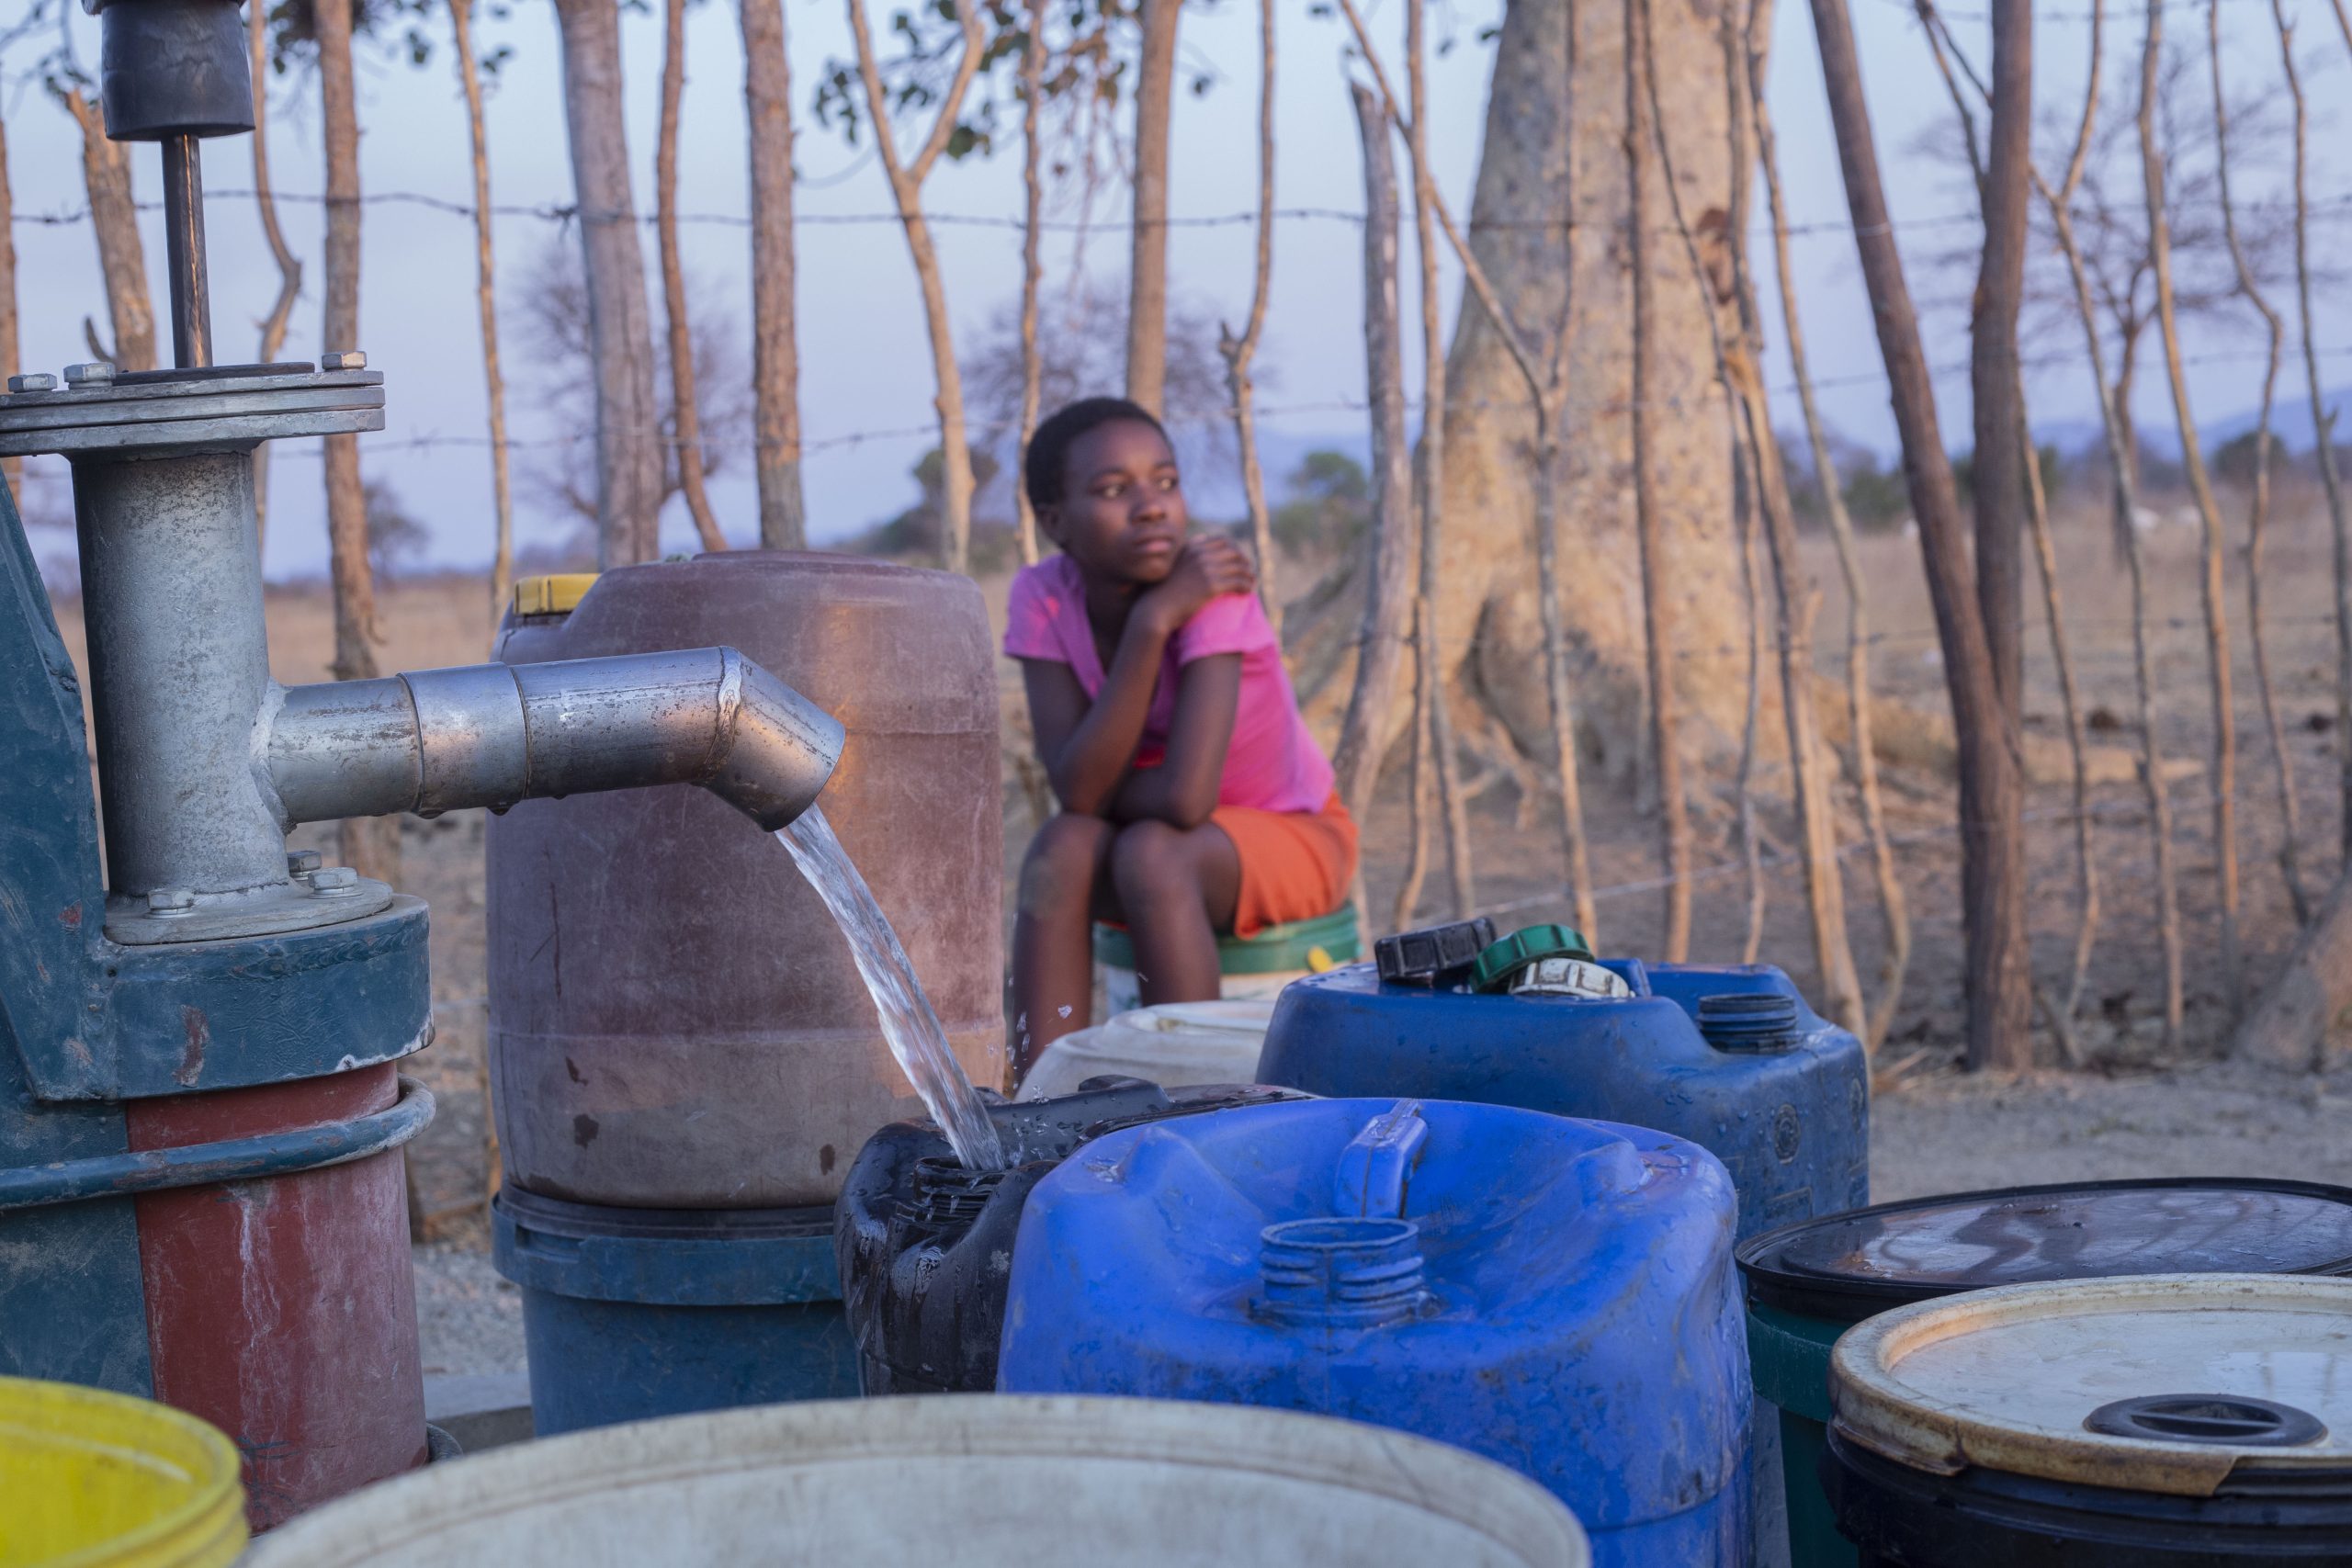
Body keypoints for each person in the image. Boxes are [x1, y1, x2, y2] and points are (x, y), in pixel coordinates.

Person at [1005, 397, 1356, 1077]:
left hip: (1293, 833)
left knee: (1152, 853)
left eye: (1165, 481)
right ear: (1055, 522)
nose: (1152, 505)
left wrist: (1162, 613)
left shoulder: (1215, 587)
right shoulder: (1042, 595)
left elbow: (1186, 800)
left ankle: (1195, 1105)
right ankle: (1039, 1098)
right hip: (1166, 838)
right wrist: (1152, 624)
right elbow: (1075, 792)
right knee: (1061, 844)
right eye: (1113, 490)